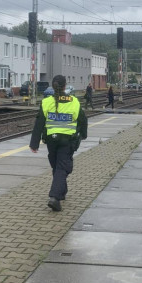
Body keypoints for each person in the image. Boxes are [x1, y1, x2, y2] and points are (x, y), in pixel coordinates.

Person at [29, 75, 88, 212]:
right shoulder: (74, 101)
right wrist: (83, 135)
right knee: (62, 168)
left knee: (57, 166)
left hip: (51, 140)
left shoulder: (46, 102)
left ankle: (61, 192)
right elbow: (82, 120)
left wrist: (34, 143)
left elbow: (39, 123)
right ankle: (55, 197)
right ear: (65, 86)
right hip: (67, 140)